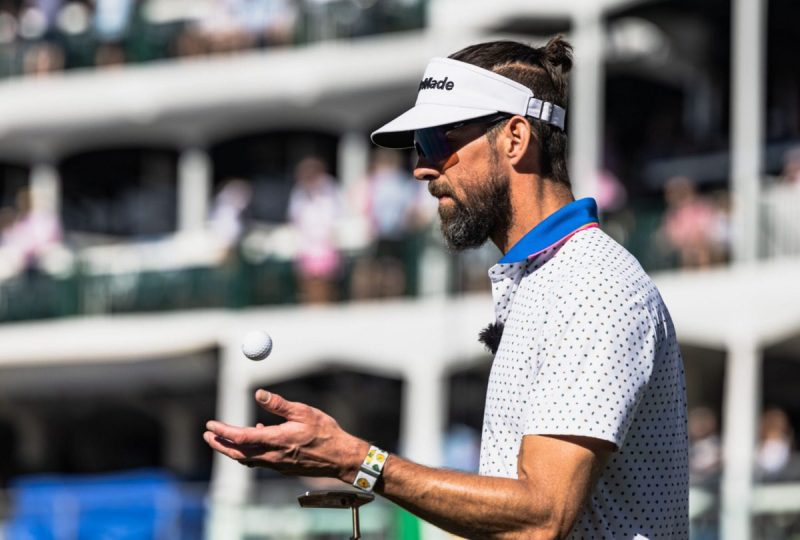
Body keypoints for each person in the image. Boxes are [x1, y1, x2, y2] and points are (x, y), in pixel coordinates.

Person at [204, 36, 689, 538]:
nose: (422, 168)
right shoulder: (548, 278)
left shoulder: (591, 284)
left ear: (516, 138)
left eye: (439, 142)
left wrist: (355, 461)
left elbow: (542, 517)